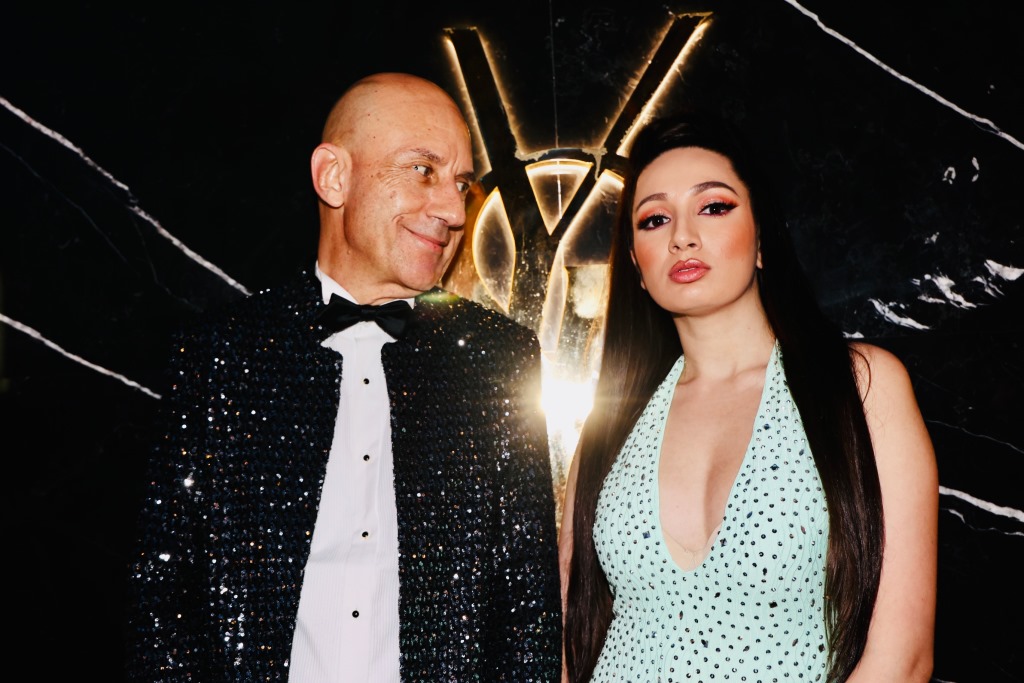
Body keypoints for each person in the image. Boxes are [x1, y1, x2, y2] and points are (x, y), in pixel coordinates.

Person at [125, 72, 563, 682]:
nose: (451, 210)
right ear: (333, 176)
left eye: (460, 184)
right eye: (423, 170)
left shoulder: (498, 358)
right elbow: (161, 599)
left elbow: (528, 612)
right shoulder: (220, 354)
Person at [559, 109, 938, 682]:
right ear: (636, 265)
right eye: (655, 219)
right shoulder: (610, 427)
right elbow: (570, 642)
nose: (682, 236)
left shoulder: (860, 387)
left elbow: (901, 661)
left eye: (713, 207)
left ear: (761, 238)